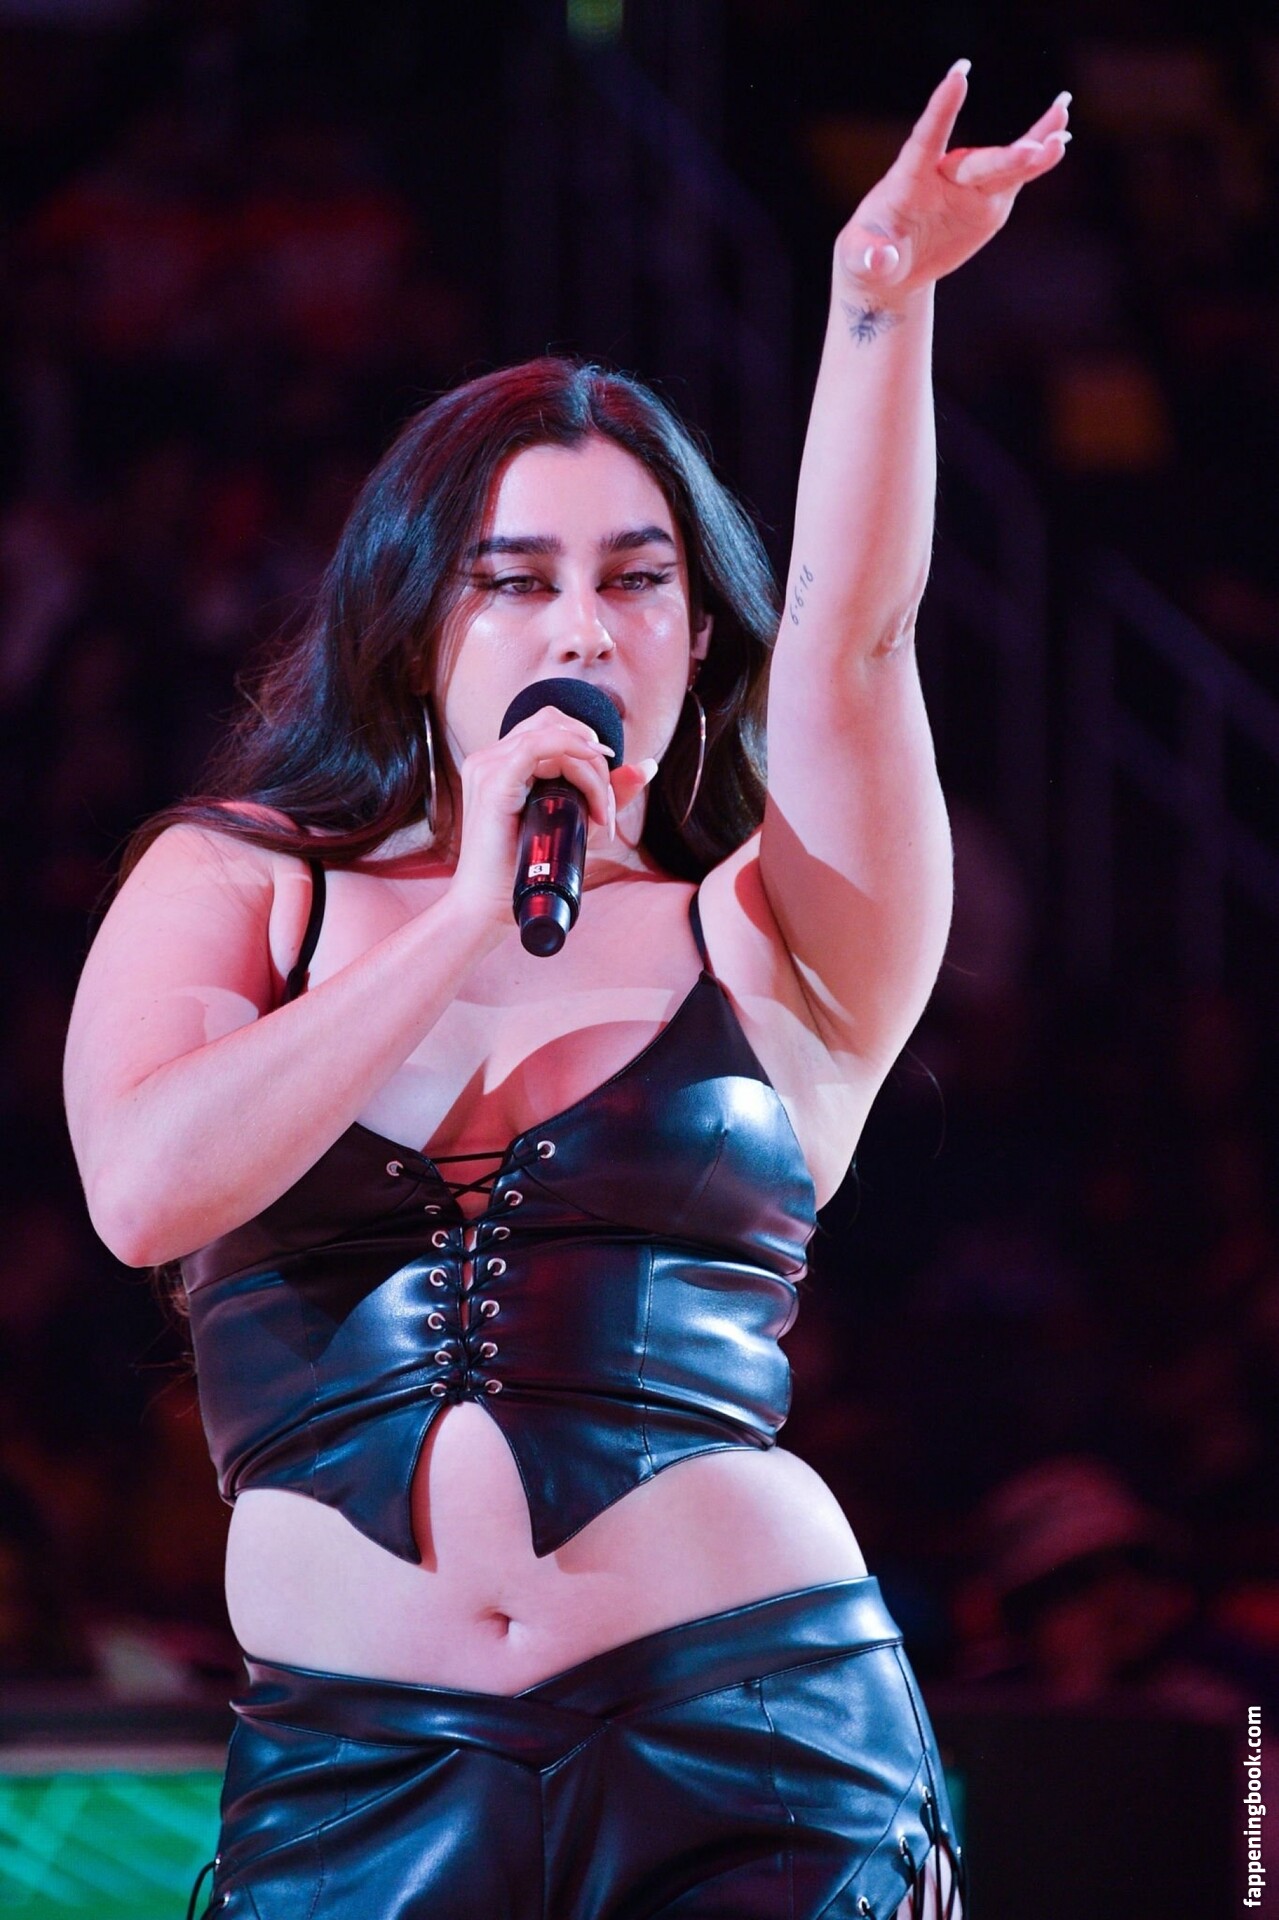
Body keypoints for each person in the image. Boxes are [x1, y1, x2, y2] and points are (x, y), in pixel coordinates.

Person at [64, 64, 1068, 1920]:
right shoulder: (239, 883)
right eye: (515, 580)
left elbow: (860, 644)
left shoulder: (767, 930)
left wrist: (880, 305)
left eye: (637, 577)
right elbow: (143, 1189)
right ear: (414, 628)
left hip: (757, 1737)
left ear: (699, 632)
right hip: (358, 1777)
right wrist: (464, 911)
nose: (583, 626)